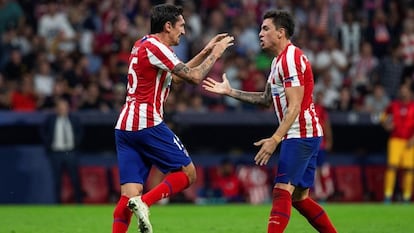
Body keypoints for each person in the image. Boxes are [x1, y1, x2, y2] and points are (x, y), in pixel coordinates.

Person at [203, 10, 337, 233]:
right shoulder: (278, 61)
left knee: (281, 191)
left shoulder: (291, 60)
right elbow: (265, 100)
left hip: (300, 133)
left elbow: (294, 106)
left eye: (265, 29)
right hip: (304, 133)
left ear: (281, 33)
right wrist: (230, 91)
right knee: (299, 198)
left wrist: (275, 139)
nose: (260, 34)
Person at [112, 4, 234, 233]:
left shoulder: (144, 45)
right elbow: (194, 77)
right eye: (181, 26)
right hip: (146, 123)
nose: (184, 32)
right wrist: (216, 55)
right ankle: (145, 203)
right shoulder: (157, 48)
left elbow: (177, 79)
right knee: (189, 173)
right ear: (167, 26)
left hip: (125, 128)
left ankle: (136, 205)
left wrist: (206, 50)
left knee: (128, 196)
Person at [40, 98, 83, 203]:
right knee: (57, 180)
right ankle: (57, 203)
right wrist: (48, 144)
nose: (62, 109)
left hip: (71, 152)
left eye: (64, 107)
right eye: (60, 107)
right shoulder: (50, 120)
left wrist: (76, 143)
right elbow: (42, 131)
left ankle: (79, 202)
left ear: (68, 108)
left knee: (75, 179)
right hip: (56, 154)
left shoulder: (74, 120)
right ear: (56, 109)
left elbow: (80, 132)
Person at [380, 83, 414, 204]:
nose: (403, 93)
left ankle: (406, 196)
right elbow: (382, 116)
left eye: (405, 90)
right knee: (392, 167)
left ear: (410, 92)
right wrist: (386, 125)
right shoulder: (393, 105)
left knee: (409, 169)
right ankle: (388, 196)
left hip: (409, 141)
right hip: (395, 139)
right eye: (401, 90)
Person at [313, 91, 335, 202]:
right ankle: (318, 192)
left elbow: (326, 126)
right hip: (311, 144)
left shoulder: (321, 110)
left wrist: (329, 140)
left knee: (322, 169)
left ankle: (326, 192)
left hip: (320, 144)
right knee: (314, 170)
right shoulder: (310, 108)